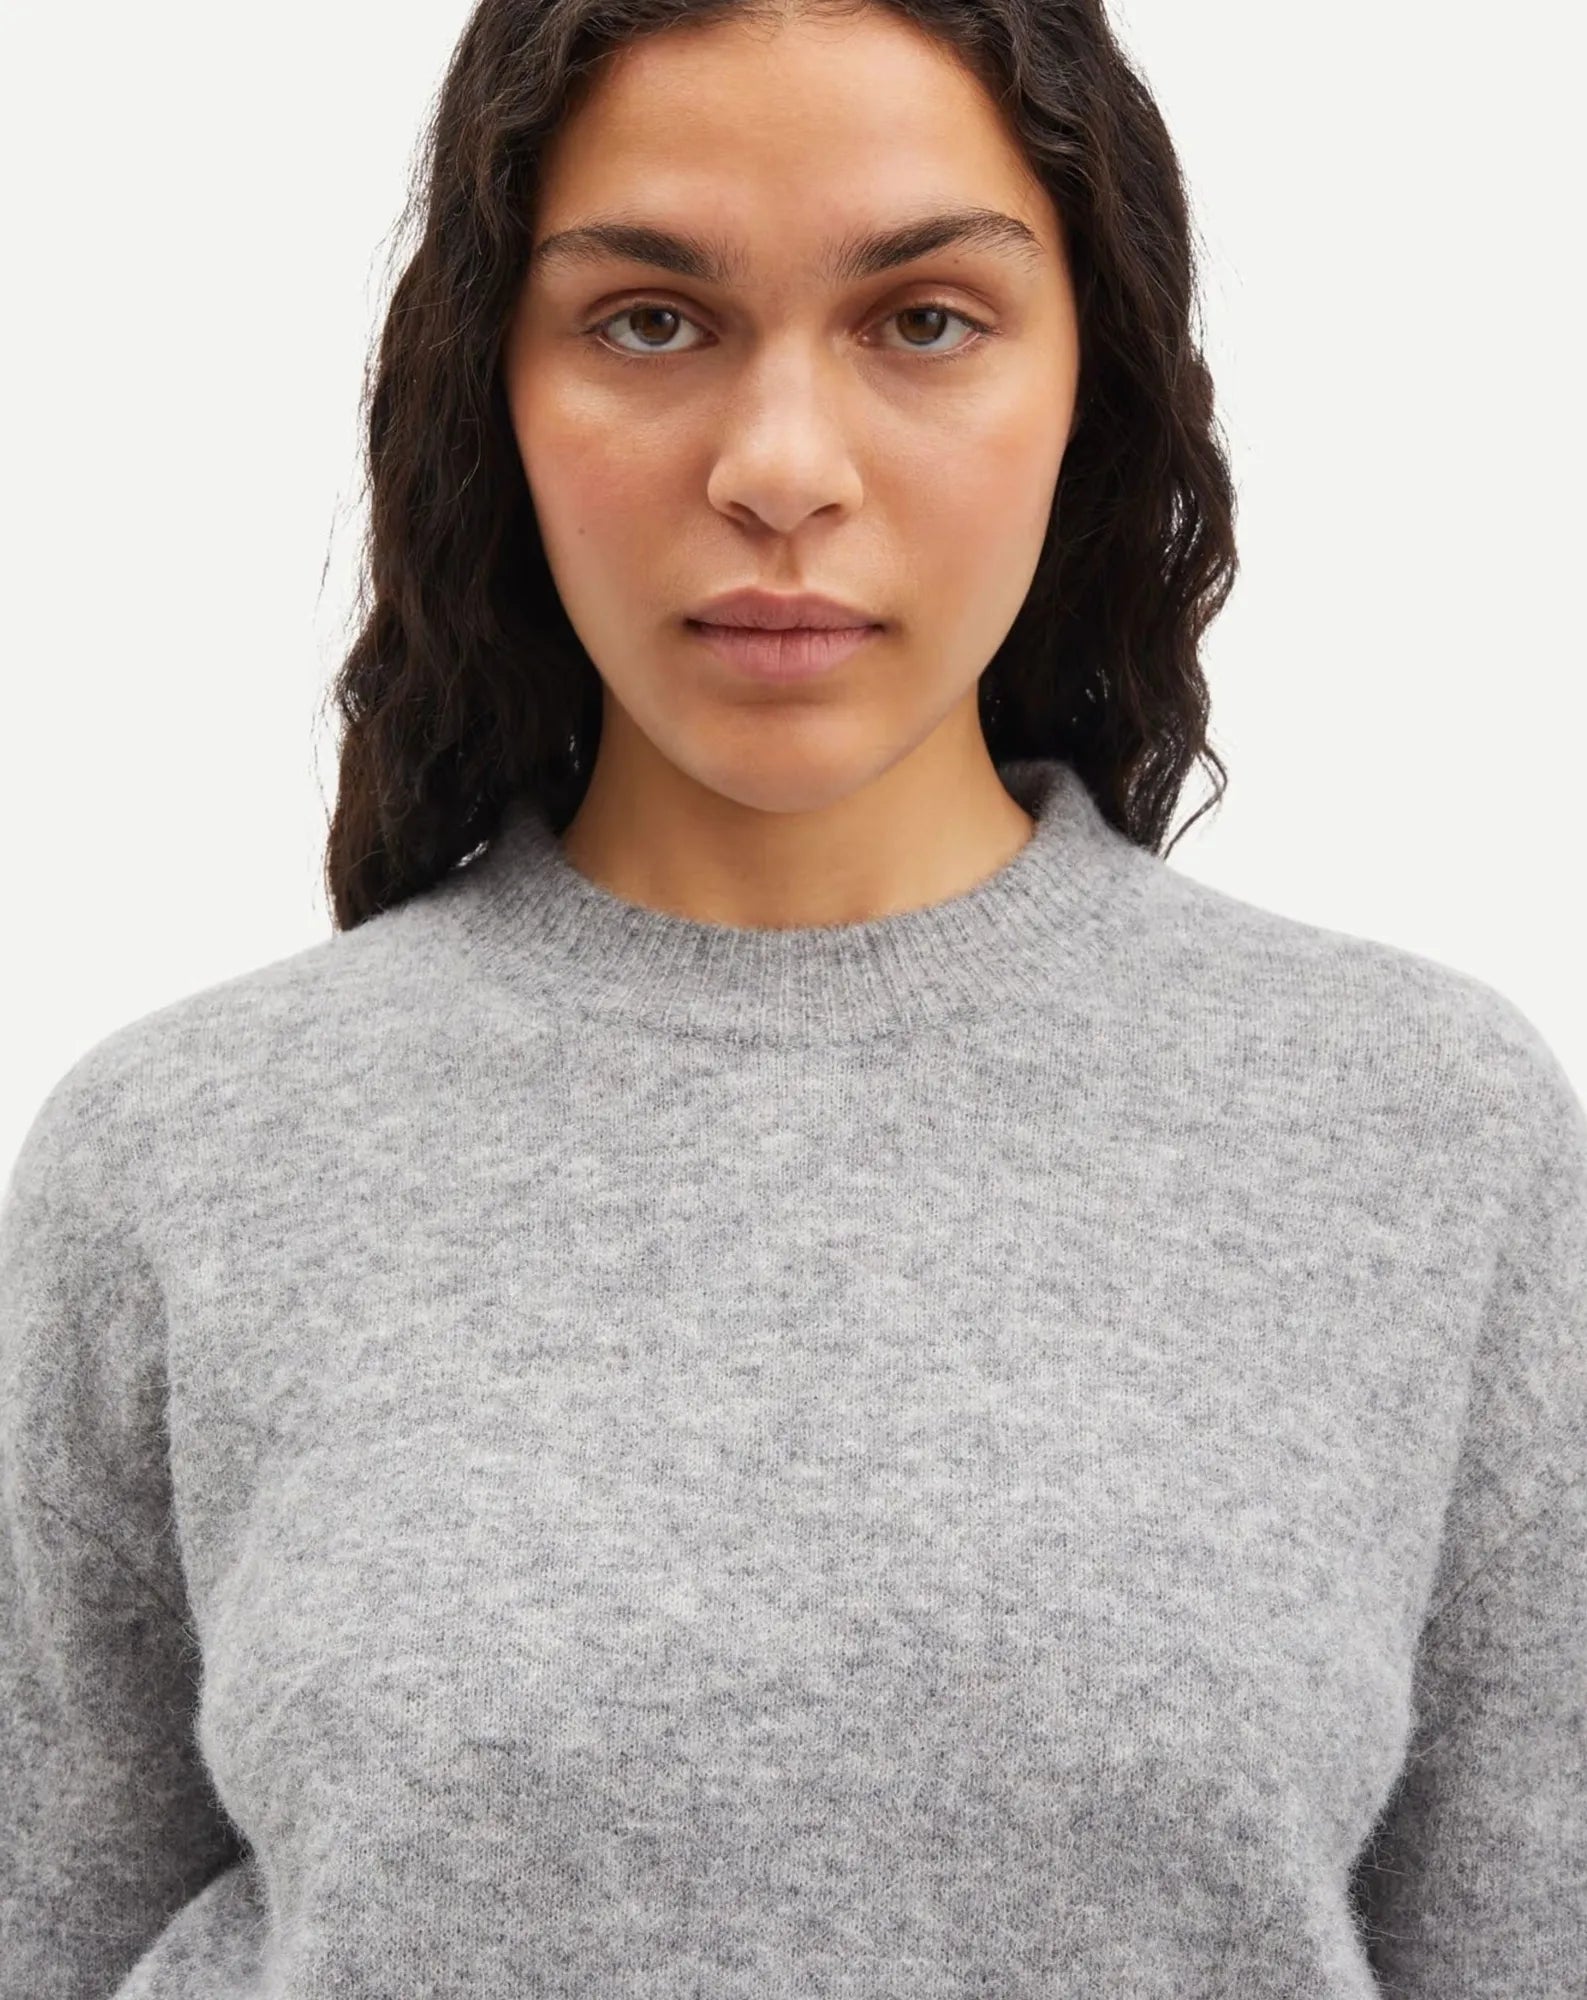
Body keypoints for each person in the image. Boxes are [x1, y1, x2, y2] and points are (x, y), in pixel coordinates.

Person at [3, 0, 1582, 1994]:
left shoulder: (1421, 1133)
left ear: (1090, 386)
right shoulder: (181, 1159)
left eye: (922, 319)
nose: (777, 468)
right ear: (492, 387)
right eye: (649, 320)